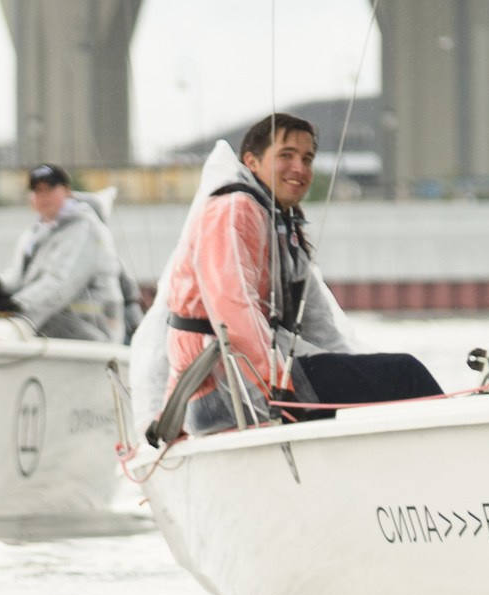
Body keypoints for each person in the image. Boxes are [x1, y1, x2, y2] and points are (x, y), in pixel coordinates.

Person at [155, 111, 436, 436]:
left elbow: (320, 325)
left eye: (307, 158)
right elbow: (232, 307)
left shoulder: (283, 224)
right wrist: (277, 384)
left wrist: (355, 368)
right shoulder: (235, 209)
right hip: (222, 388)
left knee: (383, 379)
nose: (300, 168)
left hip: (252, 379)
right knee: (405, 373)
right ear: (252, 161)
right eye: (286, 155)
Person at [0, 164, 129, 344]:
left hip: (92, 335)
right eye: (37, 190)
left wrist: (19, 305)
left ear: (67, 191)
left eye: (50, 189)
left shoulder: (84, 229)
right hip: (55, 331)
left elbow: (60, 283)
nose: (43, 196)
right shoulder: (36, 233)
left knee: (1, 337)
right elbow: (20, 277)